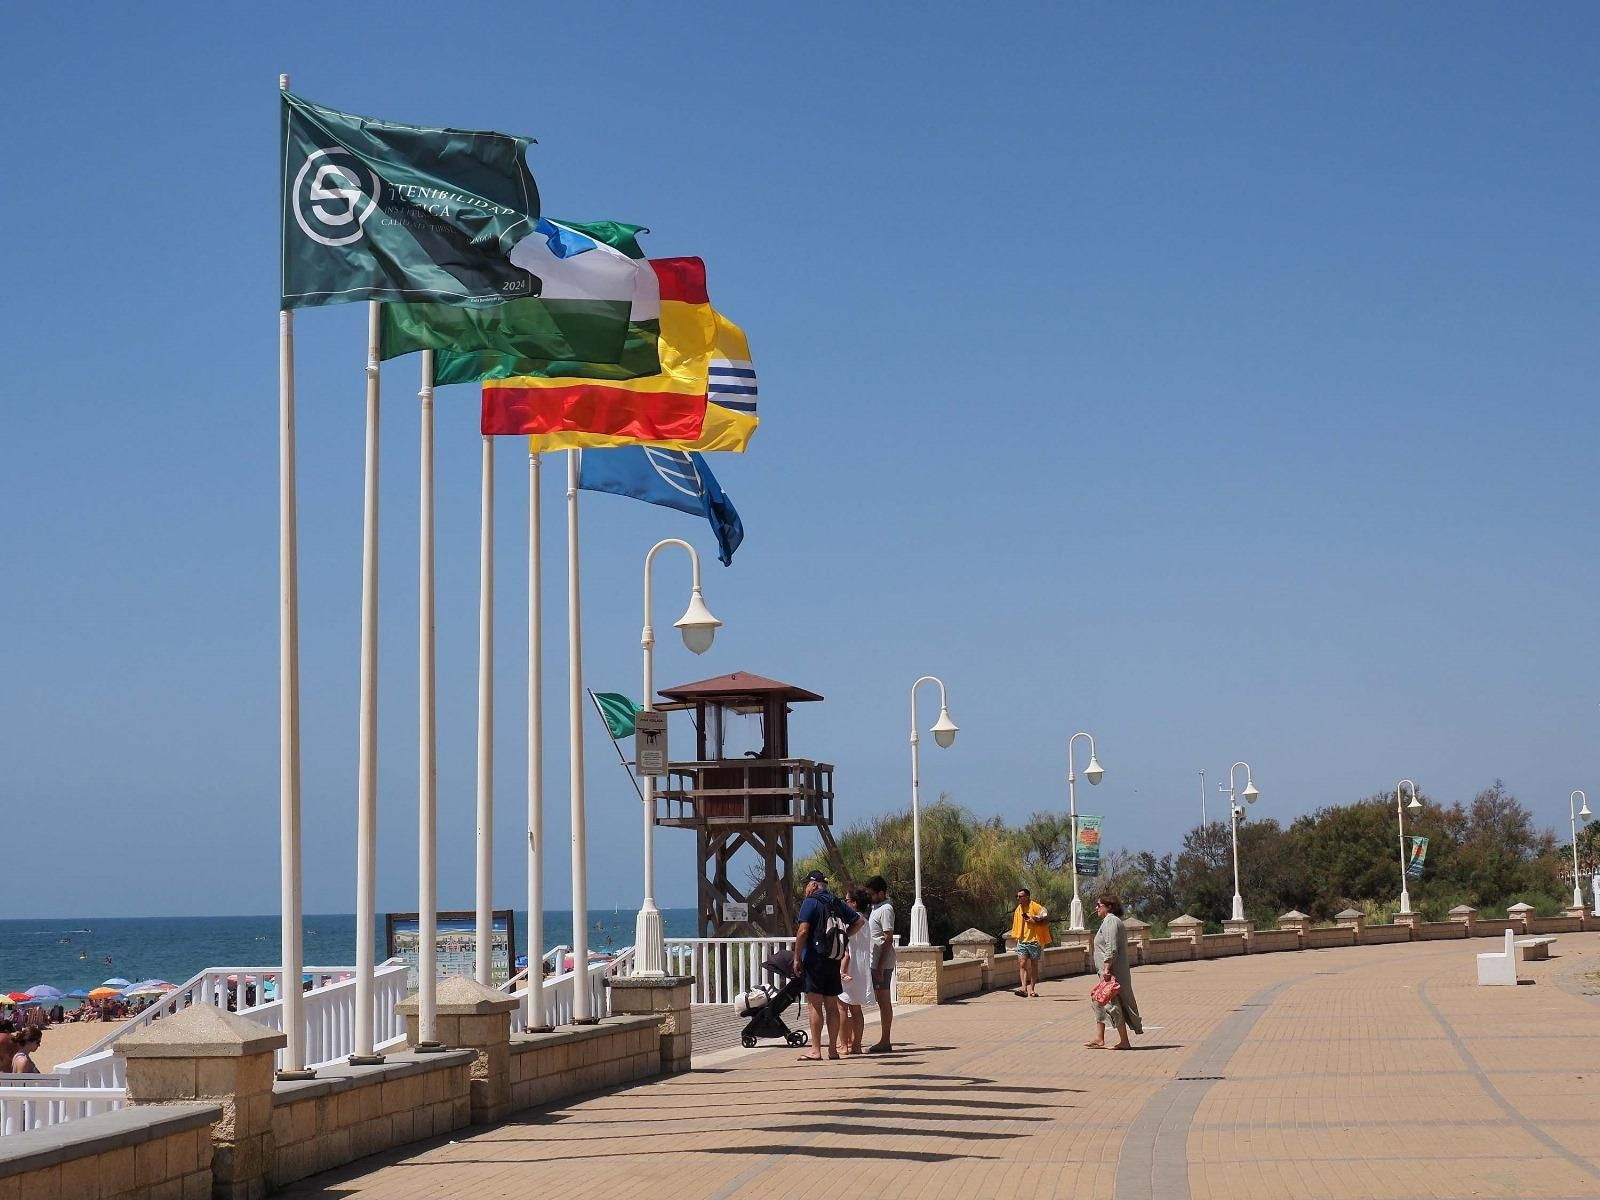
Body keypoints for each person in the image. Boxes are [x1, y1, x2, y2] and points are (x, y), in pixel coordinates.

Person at [792, 869, 863, 1062]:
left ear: (814, 885)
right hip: (834, 958)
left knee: (814, 1004)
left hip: (815, 959)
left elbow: (803, 931)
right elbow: (859, 921)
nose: (805, 888)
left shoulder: (811, 902)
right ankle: (832, 1049)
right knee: (832, 1006)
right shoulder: (836, 902)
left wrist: (797, 957)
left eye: (807, 884)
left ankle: (816, 1050)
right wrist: (843, 938)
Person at [1087, 893, 1143, 1049]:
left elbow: (1111, 948)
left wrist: (1106, 968)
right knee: (1099, 1000)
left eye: (1099, 905)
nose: (1096, 908)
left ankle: (1124, 1041)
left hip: (1111, 974)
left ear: (1109, 906)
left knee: (1112, 1004)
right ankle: (1099, 1038)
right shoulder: (1108, 922)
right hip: (1106, 974)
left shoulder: (1111, 922)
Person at [837, 886, 875, 1055]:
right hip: (862, 969)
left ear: (853, 903)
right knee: (856, 1009)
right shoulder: (865, 922)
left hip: (849, 969)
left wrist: (841, 971)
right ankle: (856, 1045)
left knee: (842, 1008)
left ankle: (843, 1045)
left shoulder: (851, 922)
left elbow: (847, 952)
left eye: (846, 901)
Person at [865, 875, 897, 1053]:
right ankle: (884, 1039)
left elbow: (888, 938)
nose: (869, 897)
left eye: (872, 894)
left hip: (881, 963)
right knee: (880, 1000)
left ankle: (885, 1040)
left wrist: (880, 966)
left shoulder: (886, 909)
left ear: (881, 893)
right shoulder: (876, 908)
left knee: (884, 1001)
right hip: (875, 961)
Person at [1010, 887, 1051, 997]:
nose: (1018, 898)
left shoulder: (1035, 906)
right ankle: (1023, 988)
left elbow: (1046, 917)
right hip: (1022, 940)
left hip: (1034, 941)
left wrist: (1035, 920)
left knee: (1034, 965)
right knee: (1022, 963)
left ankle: (1032, 989)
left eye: (1020, 896)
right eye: (1017, 896)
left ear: (1027, 897)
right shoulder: (1018, 909)